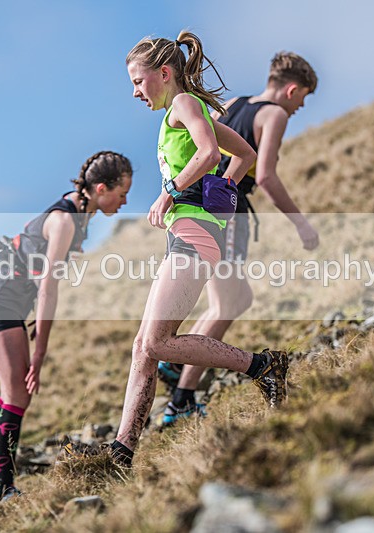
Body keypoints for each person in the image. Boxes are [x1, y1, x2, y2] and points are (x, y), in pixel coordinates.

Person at [63, 31, 290, 469]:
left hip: (194, 236)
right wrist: (223, 190)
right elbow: (240, 152)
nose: (134, 91)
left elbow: (208, 153)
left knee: (158, 342)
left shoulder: (185, 105)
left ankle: (263, 365)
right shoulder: (182, 112)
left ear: (163, 73)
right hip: (187, 234)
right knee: (143, 348)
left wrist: (173, 190)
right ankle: (122, 453)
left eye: (138, 80)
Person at [0, 151, 132, 502]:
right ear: (100, 188)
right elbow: (48, 287)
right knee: (18, 394)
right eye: (122, 192)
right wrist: (40, 353)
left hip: (9, 303)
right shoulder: (65, 221)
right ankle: (5, 491)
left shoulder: (78, 213)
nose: (125, 200)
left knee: (12, 395)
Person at [159, 51, 321, 426]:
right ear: (292, 89)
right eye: (303, 98)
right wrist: (301, 224)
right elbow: (264, 175)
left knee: (236, 299)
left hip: (199, 206)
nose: (300, 107)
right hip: (226, 211)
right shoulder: (274, 114)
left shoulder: (231, 104)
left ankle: (176, 372)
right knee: (225, 305)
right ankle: (180, 394)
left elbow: (198, 141)